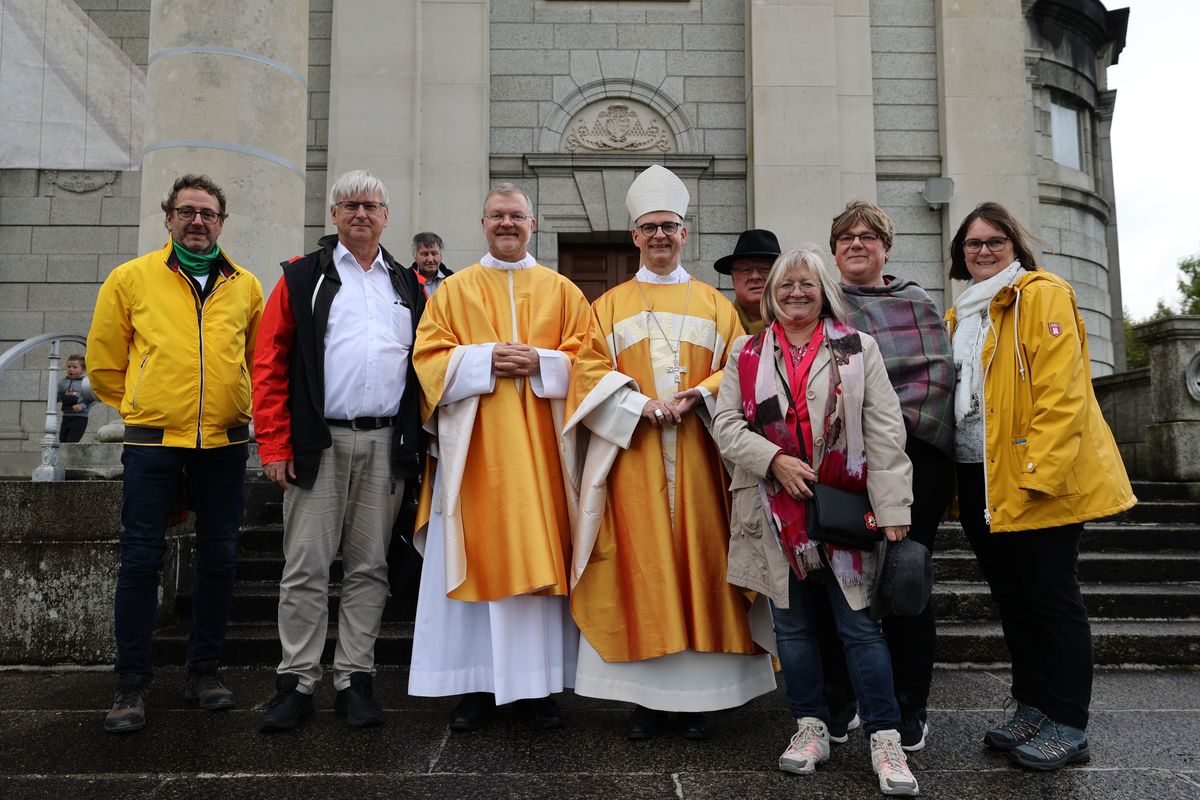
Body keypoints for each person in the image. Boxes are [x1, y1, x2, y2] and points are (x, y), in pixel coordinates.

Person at [565, 165, 775, 741]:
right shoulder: (606, 306)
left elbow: (741, 367)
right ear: (634, 235)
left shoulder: (714, 305)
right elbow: (587, 374)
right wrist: (637, 405)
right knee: (644, 565)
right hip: (634, 460)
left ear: (686, 233)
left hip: (705, 456)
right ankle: (647, 702)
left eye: (671, 226)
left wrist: (696, 396)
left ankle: (704, 699)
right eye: (650, 227)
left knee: (705, 562)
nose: (660, 235)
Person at [713, 247, 920, 796]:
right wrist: (772, 460)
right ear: (770, 294)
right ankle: (811, 725)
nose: (795, 294)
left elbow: (884, 429)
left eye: (806, 285)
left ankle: (885, 736)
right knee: (794, 627)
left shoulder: (857, 348)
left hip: (847, 507)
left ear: (824, 289)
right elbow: (726, 424)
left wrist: (895, 507)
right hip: (775, 507)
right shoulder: (748, 351)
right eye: (785, 286)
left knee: (859, 625)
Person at [945, 201, 1135, 771]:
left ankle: (1068, 722)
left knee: (1052, 600)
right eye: (973, 243)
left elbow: (1063, 392)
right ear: (961, 253)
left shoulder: (1040, 293)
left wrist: (1039, 477)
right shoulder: (963, 313)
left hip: (1030, 478)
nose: (983, 251)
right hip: (979, 476)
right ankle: (1033, 704)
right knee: (1013, 601)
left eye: (994, 241)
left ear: (1014, 246)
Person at [407, 183, 593, 732]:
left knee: (540, 564)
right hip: (474, 457)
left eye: (516, 216)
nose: (506, 224)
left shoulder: (562, 291)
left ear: (531, 224)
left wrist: (542, 363)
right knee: (472, 558)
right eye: (496, 216)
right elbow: (427, 359)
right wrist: (486, 359)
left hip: (543, 460)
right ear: (483, 223)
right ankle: (475, 687)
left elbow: (591, 360)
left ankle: (538, 688)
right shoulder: (453, 291)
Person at [87, 174, 263, 734]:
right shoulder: (131, 278)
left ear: (221, 221)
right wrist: (142, 406)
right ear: (168, 218)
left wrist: (240, 403)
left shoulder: (246, 286)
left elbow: (259, 363)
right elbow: (105, 362)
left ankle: (203, 671)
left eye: (208, 213)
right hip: (152, 442)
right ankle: (131, 684)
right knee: (140, 558)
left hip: (225, 441)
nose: (197, 221)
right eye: (186, 211)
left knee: (220, 557)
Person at [252, 170, 426, 731]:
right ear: (333, 215)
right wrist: (274, 442)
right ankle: (296, 680)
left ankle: (354, 677)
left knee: (370, 567)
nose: (361, 213)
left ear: (386, 216)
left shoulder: (407, 284)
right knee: (305, 566)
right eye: (350, 205)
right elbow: (270, 363)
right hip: (317, 441)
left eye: (371, 206)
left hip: (384, 443)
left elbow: (424, 366)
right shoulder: (302, 278)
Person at [816, 200, 955, 751]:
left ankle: (909, 705)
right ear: (834, 249)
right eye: (846, 236)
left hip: (914, 458)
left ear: (886, 248)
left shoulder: (916, 302)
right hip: (841, 459)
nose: (857, 244)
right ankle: (840, 699)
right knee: (837, 578)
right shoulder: (822, 304)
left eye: (868, 236)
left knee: (904, 581)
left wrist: (881, 420)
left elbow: (937, 380)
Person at [714, 228, 781, 335]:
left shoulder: (800, 324)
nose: (755, 276)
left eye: (764, 268)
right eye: (745, 270)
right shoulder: (717, 324)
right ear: (733, 278)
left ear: (781, 275)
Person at [57, 354, 92, 443]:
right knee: (62, 441)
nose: (71, 369)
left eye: (74, 367)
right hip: (66, 417)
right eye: (69, 367)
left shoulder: (86, 383)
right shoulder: (63, 383)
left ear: (83, 370)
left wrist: (82, 406)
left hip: (79, 418)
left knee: (71, 442)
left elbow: (93, 398)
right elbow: (57, 395)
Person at [411, 231, 453, 296]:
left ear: (441, 255)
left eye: (434, 254)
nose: (430, 259)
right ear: (415, 256)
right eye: (425, 254)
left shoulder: (451, 279)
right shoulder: (405, 280)